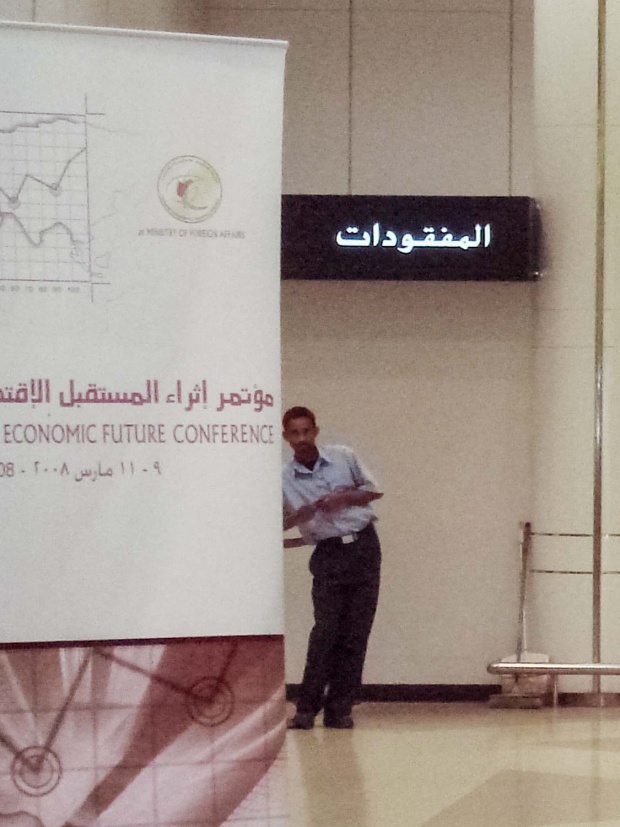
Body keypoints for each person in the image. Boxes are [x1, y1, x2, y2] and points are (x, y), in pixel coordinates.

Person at [282, 406, 383, 730]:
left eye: (306, 431)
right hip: (328, 553)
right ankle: (306, 708)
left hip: (364, 546)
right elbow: (275, 525)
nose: (302, 438)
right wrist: (299, 516)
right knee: (325, 632)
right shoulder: (284, 478)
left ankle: (340, 709)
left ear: (315, 431)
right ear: (286, 437)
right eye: (295, 433)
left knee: (356, 632)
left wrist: (344, 498)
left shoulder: (343, 456)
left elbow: (374, 491)